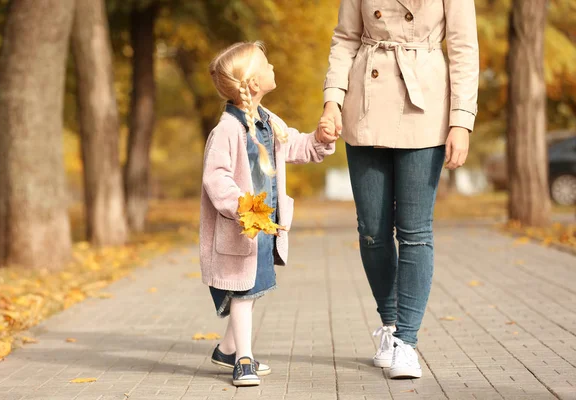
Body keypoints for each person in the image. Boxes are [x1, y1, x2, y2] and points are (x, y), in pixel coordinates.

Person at [318, 0, 479, 379]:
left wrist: (461, 121)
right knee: (372, 231)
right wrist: (332, 103)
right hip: (366, 105)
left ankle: (406, 341)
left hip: (425, 106)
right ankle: (389, 324)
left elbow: (463, 49)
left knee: (415, 231)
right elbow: (344, 39)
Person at [200, 41, 336, 387]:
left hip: (266, 227)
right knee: (244, 294)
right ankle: (242, 360)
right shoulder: (227, 130)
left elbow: (297, 147)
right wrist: (242, 206)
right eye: (267, 63)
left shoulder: (269, 122)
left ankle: (228, 348)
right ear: (255, 84)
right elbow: (215, 177)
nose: (273, 66)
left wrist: (319, 139)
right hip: (243, 228)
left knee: (253, 288)